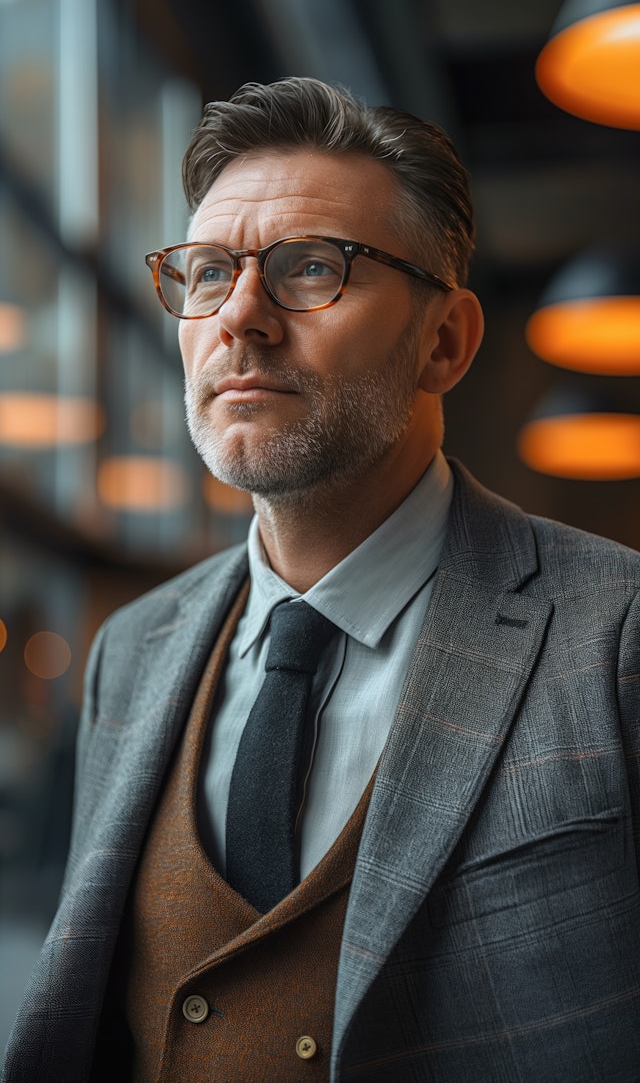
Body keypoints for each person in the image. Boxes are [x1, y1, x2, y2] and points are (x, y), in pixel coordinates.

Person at [4, 77, 640, 1083]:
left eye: (311, 268)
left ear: (446, 341)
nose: (240, 318)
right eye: (209, 271)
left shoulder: (616, 631)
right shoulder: (133, 646)